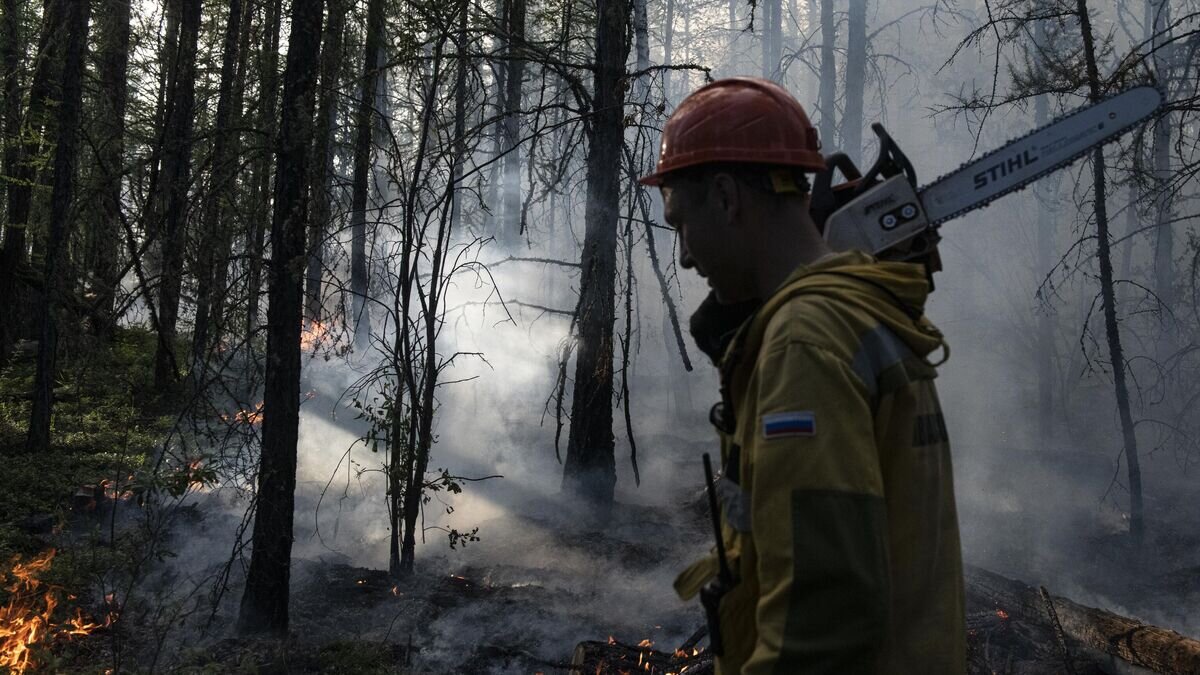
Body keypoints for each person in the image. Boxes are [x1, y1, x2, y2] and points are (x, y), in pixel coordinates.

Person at [640, 77, 966, 674]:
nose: (684, 255)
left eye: (680, 223)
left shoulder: (805, 342)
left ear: (725, 197)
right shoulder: (860, 310)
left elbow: (823, 625)